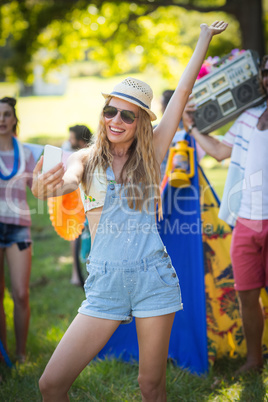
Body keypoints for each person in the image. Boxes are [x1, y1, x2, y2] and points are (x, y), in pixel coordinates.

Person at [32, 21, 227, 401]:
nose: (115, 121)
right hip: (106, 282)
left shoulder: (152, 154)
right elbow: (66, 179)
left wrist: (203, 36)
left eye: (127, 115)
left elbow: (183, 91)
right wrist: (45, 187)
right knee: (50, 384)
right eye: (110, 111)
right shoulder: (87, 159)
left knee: (150, 385)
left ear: (141, 122)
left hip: (154, 277)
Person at [182, 54, 268, 374]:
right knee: (246, 293)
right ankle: (254, 360)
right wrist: (190, 126)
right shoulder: (248, 117)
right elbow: (219, 152)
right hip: (245, 220)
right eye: (266, 72)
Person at [0, 97, 36, 363]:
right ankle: (3, 355)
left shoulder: (25, 153)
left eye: (6, 114)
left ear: (14, 119)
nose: (1, 119)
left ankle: (21, 354)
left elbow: (39, 188)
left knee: (21, 294)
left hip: (18, 229)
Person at [62, 124, 93, 285]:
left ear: (81, 142)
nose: (68, 141)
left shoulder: (90, 157)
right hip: (73, 202)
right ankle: (77, 273)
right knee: (75, 235)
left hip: (87, 203)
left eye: (72, 138)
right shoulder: (71, 153)